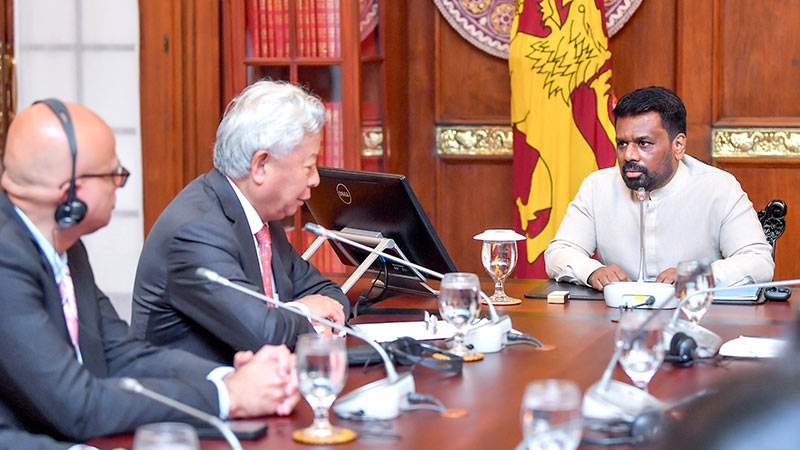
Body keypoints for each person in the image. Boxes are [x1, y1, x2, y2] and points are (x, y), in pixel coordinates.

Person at [0, 100, 299, 443]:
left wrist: (229, 378)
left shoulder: (65, 243)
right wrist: (229, 397)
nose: (120, 184)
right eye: (115, 175)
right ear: (72, 195)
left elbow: (122, 355)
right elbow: (77, 405)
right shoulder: (6, 260)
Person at [131, 80, 350, 364]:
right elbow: (263, 335)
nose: (316, 179)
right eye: (308, 166)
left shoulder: (262, 220)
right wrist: (304, 313)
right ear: (261, 165)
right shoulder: (196, 231)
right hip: (195, 400)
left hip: (259, 390)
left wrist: (309, 312)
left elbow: (327, 294)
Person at [545, 86, 774, 291]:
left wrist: (699, 277)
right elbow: (558, 252)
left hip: (695, 322)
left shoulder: (719, 188)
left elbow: (759, 262)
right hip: (617, 322)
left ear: (678, 145)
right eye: (622, 143)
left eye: (643, 143)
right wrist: (591, 271)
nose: (629, 155)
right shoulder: (597, 187)